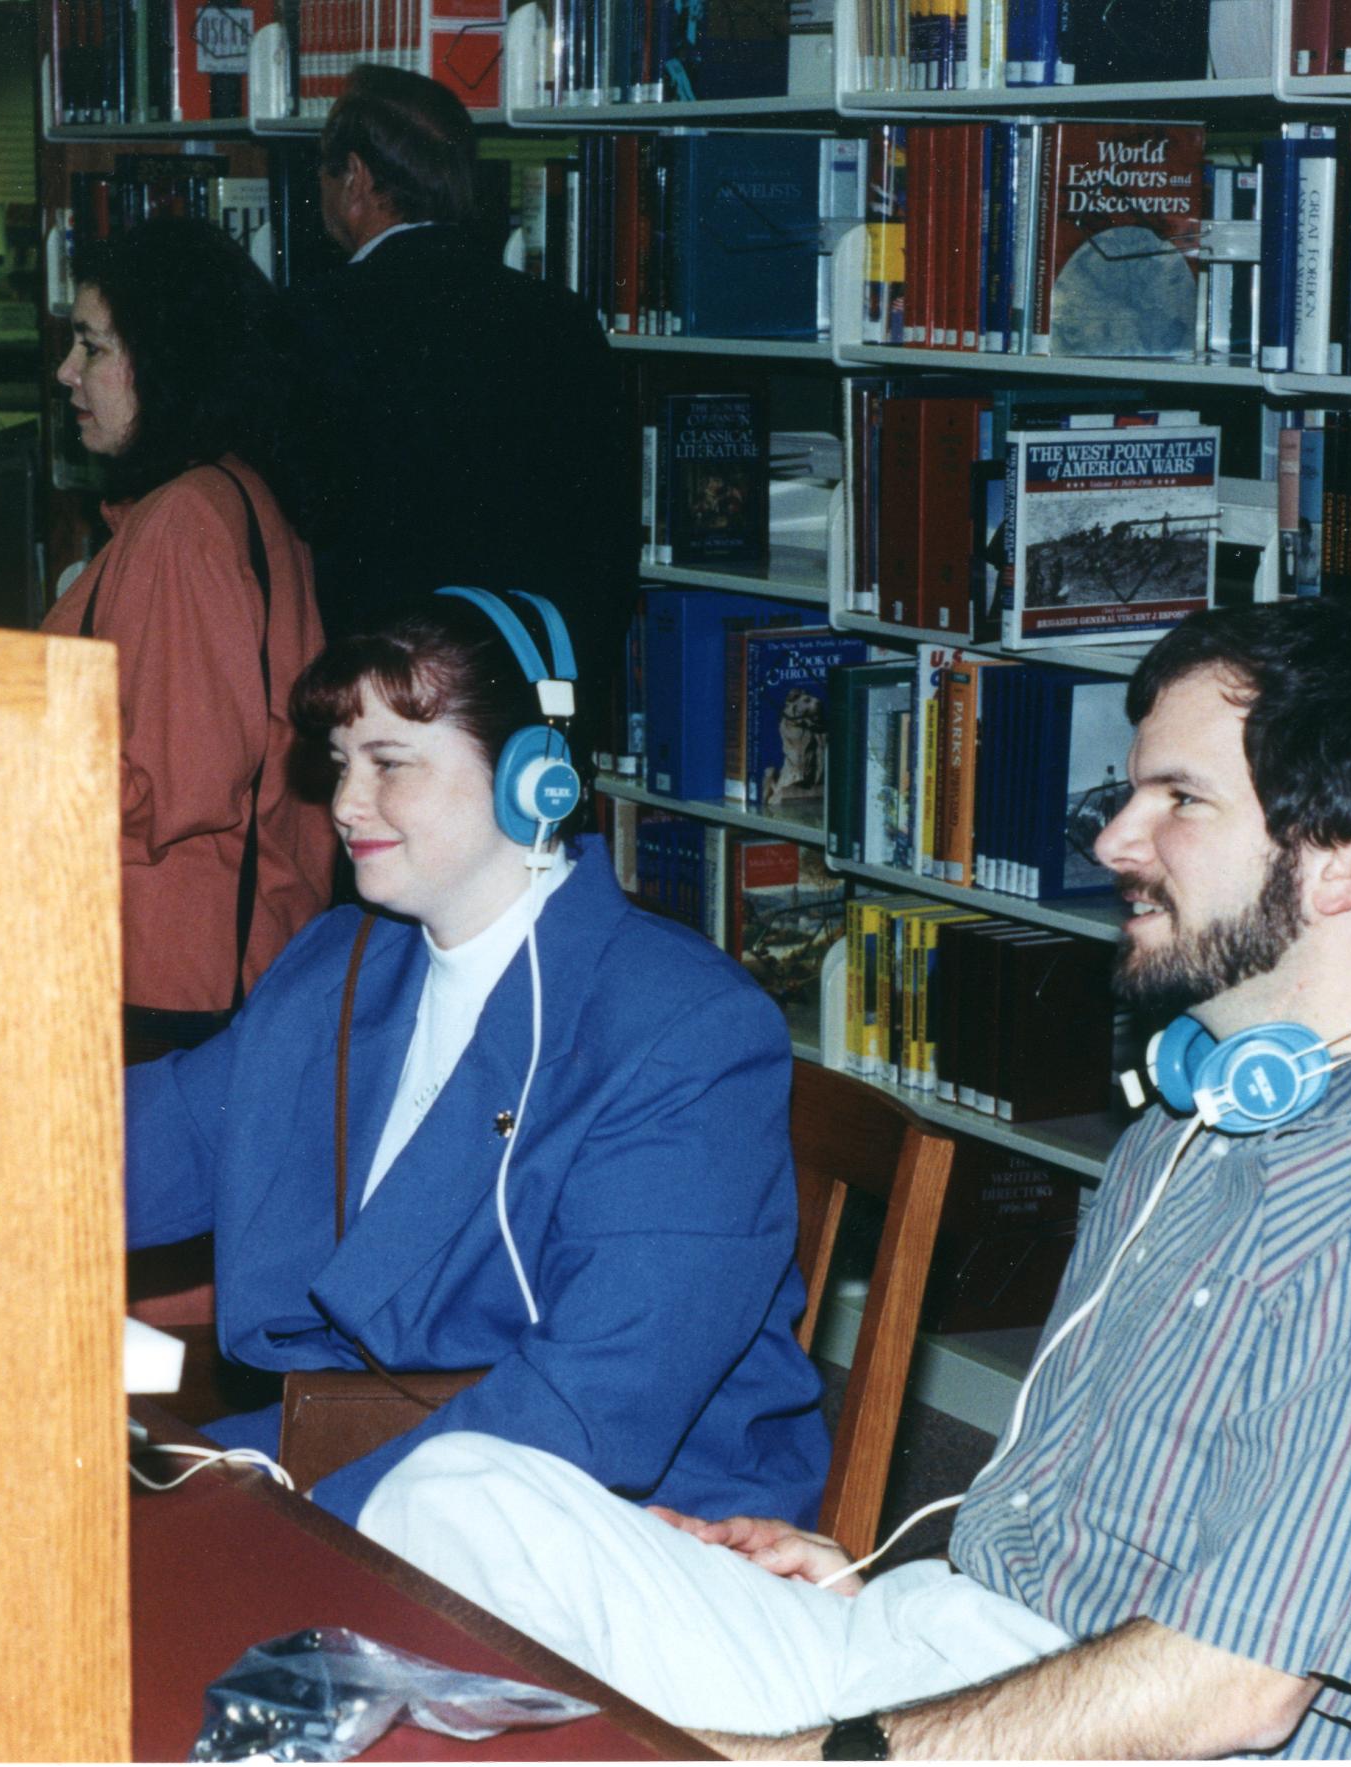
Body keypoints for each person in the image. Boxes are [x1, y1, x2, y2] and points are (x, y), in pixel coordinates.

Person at [357, 598, 1351, 1759]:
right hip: (978, 1655)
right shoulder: (1198, 1117)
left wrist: (828, 1754)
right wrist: (867, 1595)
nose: (1115, 836)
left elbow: (1231, 1686)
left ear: (1344, 861)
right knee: (454, 1497)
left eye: (1178, 800)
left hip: (1146, 1735)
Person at [121, 588, 830, 1526]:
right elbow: (132, 1146)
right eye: (339, 763)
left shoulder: (688, 1028)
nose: (343, 802)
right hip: (372, 1450)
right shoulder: (338, 965)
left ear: (532, 777)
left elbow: (593, 1403)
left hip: (615, 1518)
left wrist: (297, 1525)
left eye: (390, 763)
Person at [41, 214, 337, 1057]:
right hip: (215, 961)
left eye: (92, 347)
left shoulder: (182, 526)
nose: (67, 373)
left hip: (168, 972)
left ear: (165, 359)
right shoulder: (231, 496)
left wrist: (2, 783)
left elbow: (181, 779)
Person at [284, 65, 639, 687]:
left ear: (357, 179)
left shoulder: (314, 320)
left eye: (325, 169)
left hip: (380, 686)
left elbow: (301, 525)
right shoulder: (561, 316)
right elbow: (606, 538)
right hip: (529, 675)